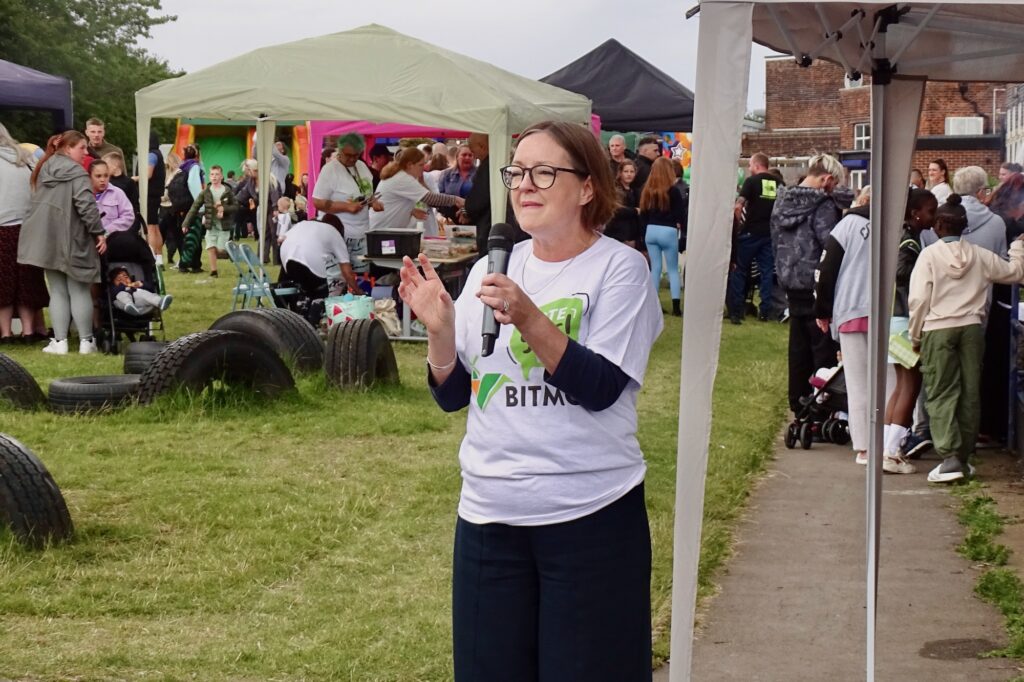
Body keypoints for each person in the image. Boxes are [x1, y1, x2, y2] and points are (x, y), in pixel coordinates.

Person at [398, 119, 662, 681]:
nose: (524, 185)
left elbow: (600, 388)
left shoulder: (621, 269)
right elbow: (453, 395)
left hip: (589, 515)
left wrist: (529, 317)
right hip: (490, 516)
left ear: (588, 186)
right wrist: (441, 332)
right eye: (517, 171)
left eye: (544, 172)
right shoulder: (489, 270)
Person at [909, 194, 1024, 483]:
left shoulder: (929, 256)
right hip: (972, 328)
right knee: (970, 392)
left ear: (937, 226)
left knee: (940, 391)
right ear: (965, 226)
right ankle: (962, 456)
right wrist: (1018, 246)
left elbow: (919, 299)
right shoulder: (979, 255)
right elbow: (1014, 272)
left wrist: (915, 334)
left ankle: (948, 457)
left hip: (938, 328)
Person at [770, 153, 851, 415]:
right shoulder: (824, 206)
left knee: (798, 347)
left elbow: (774, 240)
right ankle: (821, 403)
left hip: (789, 280)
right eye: (835, 183)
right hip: (816, 281)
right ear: (826, 180)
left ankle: (799, 402)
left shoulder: (782, 200)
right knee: (822, 349)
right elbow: (831, 244)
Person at [18, 131, 107, 355]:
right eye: (82, 148)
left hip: (47, 239)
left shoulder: (44, 168)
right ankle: (87, 342)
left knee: (57, 290)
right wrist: (98, 232)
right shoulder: (77, 173)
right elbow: (86, 205)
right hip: (74, 237)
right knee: (79, 289)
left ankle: (60, 342)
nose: (86, 152)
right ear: (68, 149)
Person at [880, 188, 937, 466]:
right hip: (903, 321)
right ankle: (892, 453)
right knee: (910, 385)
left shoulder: (904, 236)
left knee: (902, 384)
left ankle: (888, 447)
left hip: (894, 320)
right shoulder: (910, 242)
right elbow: (901, 273)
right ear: (916, 213)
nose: (934, 216)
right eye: (930, 211)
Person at [0, 123, 48, 343]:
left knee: (4, 283)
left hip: (2, 228)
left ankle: (6, 333)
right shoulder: (27, 157)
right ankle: (29, 331)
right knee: (27, 280)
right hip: (29, 227)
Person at [312, 134, 380, 274]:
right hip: (340, 235)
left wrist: (373, 202)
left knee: (362, 276)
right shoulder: (330, 170)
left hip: (362, 234)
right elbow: (317, 202)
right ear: (340, 151)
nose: (352, 159)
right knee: (340, 278)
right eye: (348, 155)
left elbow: (365, 192)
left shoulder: (361, 166)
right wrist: (346, 207)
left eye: (356, 155)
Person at [728, 152, 778, 324]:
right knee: (766, 273)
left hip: (750, 233)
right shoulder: (778, 183)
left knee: (739, 269)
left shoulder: (751, 182)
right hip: (769, 234)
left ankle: (736, 312)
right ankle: (765, 312)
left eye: (750, 165)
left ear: (757, 165)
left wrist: (738, 226)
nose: (749, 169)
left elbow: (738, 205)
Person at [370, 147, 464, 236]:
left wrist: (410, 210)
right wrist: (456, 200)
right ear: (410, 165)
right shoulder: (403, 178)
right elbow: (430, 198)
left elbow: (395, 202)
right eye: (420, 165)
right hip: (382, 230)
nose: (423, 168)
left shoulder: (399, 174)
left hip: (384, 229)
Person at [640, 157, 687, 316]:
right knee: (673, 270)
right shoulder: (673, 190)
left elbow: (643, 213)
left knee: (656, 268)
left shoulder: (647, 190)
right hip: (668, 230)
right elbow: (680, 213)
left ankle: (653, 305)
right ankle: (675, 307)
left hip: (651, 230)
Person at [280, 215, 360, 296]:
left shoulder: (304, 224)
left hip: (286, 257)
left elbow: (281, 239)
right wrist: (358, 292)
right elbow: (346, 271)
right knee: (326, 288)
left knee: (304, 286)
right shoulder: (334, 232)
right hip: (310, 261)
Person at [182, 165, 238, 278]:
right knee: (210, 247)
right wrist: (186, 223)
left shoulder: (228, 191)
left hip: (224, 226)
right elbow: (194, 207)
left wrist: (224, 208)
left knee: (220, 251)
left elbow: (236, 206)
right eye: (212, 174)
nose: (214, 177)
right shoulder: (205, 192)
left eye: (217, 174)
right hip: (210, 225)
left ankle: (233, 254)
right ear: (209, 176)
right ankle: (213, 272)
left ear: (221, 176)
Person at [234, 158, 282, 265]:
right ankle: (262, 258)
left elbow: (275, 194)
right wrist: (233, 200)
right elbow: (243, 194)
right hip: (262, 207)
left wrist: (275, 209)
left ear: (254, 170)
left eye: (248, 171)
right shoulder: (250, 182)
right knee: (264, 233)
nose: (246, 174)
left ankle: (277, 259)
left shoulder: (269, 179)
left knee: (275, 233)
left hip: (273, 208)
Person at [90, 160, 135, 234]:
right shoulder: (84, 195)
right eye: (98, 176)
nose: (102, 180)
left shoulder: (117, 193)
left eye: (106, 176)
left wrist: (108, 230)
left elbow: (128, 216)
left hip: (113, 239)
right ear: (90, 177)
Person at [604, 159, 641, 249]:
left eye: (632, 171)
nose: (629, 174)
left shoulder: (634, 190)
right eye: (626, 171)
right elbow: (616, 209)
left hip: (630, 233)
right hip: (616, 232)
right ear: (620, 173)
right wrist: (635, 211)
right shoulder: (615, 189)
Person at [144, 132, 167, 265]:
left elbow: (147, 174)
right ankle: (159, 258)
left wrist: (134, 179)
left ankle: (153, 256)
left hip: (150, 195)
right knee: (156, 227)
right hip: (157, 194)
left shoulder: (151, 155)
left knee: (150, 227)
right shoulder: (159, 154)